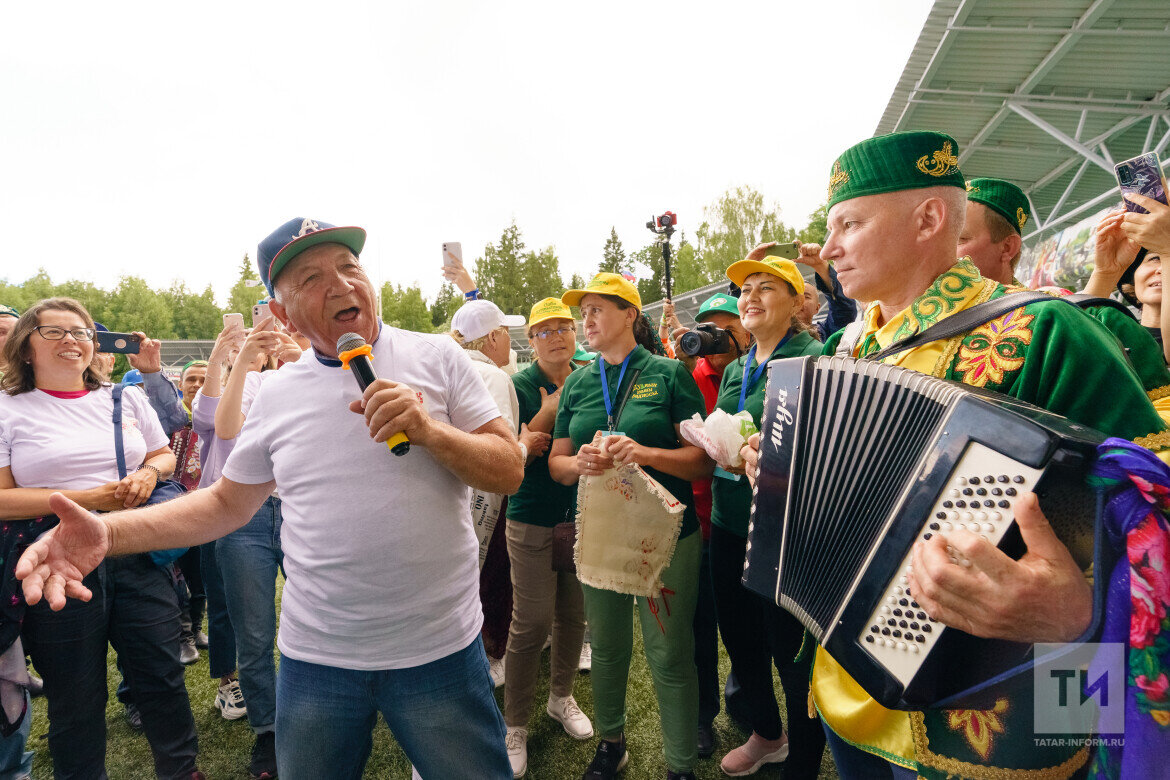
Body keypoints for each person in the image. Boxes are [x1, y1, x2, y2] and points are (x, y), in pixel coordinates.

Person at [15, 218, 522, 780]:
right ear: (281, 314)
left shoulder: (440, 357)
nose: (341, 284)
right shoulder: (278, 392)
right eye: (311, 278)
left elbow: (508, 469)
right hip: (319, 660)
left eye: (349, 267)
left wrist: (431, 432)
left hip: (441, 648)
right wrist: (108, 533)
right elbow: (225, 504)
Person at [740, 131, 1170, 779]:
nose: (827, 250)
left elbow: (1153, 516)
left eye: (849, 225)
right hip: (846, 688)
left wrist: (1079, 617)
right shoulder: (842, 351)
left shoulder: (1048, 331)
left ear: (929, 219)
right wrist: (780, 471)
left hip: (1005, 718)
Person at [0, 297, 202, 780]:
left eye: (82, 332)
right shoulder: (7, 407)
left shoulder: (124, 397)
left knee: (162, 676)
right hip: (57, 559)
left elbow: (162, 454)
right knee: (75, 693)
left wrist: (149, 474)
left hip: (135, 547)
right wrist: (91, 497)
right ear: (26, 346)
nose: (71, 340)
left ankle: (181, 770)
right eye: (54, 331)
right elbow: (2, 498)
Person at [548, 272, 712, 780]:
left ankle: (680, 766)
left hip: (666, 536)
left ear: (629, 315)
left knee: (669, 653)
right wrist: (579, 463)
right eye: (584, 312)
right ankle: (611, 744)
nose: (587, 320)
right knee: (607, 647)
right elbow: (556, 464)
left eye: (597, 309)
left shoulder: (668, 373)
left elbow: (702, 461)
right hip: (601, 532)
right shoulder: (577, 382)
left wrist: (645, 453)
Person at [708, 257, 826, 778]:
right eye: (745, 289)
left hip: (786, 528)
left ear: (797, 302)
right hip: (730, 520)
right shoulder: (737, 367)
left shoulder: (814, 358)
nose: (750, 297)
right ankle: (766, 734)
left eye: (765, 288)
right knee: (739, 637)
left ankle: (803, 760)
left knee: (789, 650)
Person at [203, 317, 300, 779]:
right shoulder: (258, 382)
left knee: (322, 618)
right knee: (254, 633)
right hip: (247, 514)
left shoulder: (328, 373)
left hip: (305, 509)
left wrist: (305, 362)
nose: (288, 336)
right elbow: (225, 429)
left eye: (298, 330)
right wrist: (243, 359)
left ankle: (318, 710)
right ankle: (269, 731)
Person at [502, 297, 592, 778]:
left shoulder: (589, 376)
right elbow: (510, 455)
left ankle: (561, 698)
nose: (556, 336)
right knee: (531, 621)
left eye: (564, 327)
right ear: (530, 341)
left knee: (574, 614)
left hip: (580, 514)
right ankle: (515, 724)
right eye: (545, 330)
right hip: (532, 515)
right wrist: (548, 412)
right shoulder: (517, 385)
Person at [665, 292, 751, 757]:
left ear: (744, 330)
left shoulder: (754, 370)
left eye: (725, 328)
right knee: (699, 627)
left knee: (743, 625)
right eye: (706, 329)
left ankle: (746, 700)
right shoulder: (686, 375)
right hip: (700, 520)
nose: (714, 338)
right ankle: (702, 717)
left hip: (742, 522)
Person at [450, 298, 527, 688]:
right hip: (487, 496)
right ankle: (493, 653)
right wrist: (527, 443)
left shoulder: (449, 367)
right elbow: (500, 451)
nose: (510, 343)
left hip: (451, 493)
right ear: (493, 337)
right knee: (494, 575)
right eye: (506, 334)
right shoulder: (494, 377)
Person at [189, 320, 248, 727]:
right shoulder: (213, 398)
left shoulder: (278, 385)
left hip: (280, 504)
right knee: (224, 601)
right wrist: (216, 362)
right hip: (222, 507)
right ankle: (229, 680)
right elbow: (209, 416)